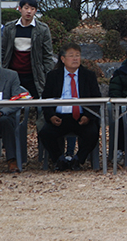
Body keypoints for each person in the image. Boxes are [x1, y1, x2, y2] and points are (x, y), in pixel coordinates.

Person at [38, 43, 101, 171]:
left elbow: (96, 99)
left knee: (93, 133)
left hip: (81, 117)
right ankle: (59, 160)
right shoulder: (53, 76)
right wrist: (51, 116)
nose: (75, 59)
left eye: (77, 55)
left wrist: (88, 117)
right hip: (60, 117)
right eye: (71, 56)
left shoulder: (88, 75)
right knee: (45, 133)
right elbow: (46, 99)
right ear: (63, 59)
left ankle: (78, 160)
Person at [1, 0, 54, 100]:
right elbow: (3, 50)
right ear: (20, 9)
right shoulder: (10, 28)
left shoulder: (42, 29)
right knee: (12, 99)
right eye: (26, 8)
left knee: (38, 99)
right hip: (13, 72)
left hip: (34, 72)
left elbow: (47, 54)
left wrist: (49, 75)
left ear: (36, 11)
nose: (29, 11)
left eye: (32, 9)